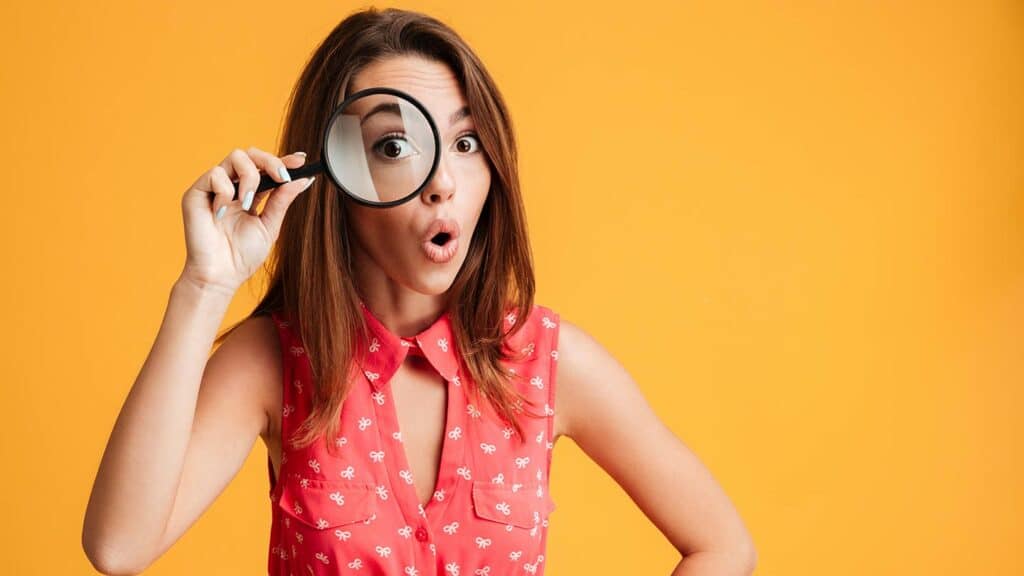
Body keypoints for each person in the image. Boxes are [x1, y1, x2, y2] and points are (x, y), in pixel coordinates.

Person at [82, 7, 756, 576]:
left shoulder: (550, 362)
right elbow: (119, 547)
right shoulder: (274, 361)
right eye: (396, 146)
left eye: (466, 141)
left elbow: (723, 546)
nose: (444, 182)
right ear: (334, 175)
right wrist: (206, 283)